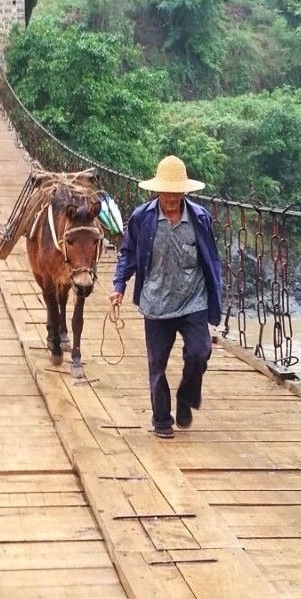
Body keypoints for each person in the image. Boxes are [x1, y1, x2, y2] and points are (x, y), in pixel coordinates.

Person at [109, 155, 222, 439]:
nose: (171, 198)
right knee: (156, 364)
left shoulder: (200, 218)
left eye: (176, 192)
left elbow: (211, 258)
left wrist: (215, 294)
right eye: (166, 192)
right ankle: (161, 420)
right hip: (157, 303)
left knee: (199, 353)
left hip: (193, 300)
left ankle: (186, 398)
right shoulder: (141, 218)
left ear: (184, 192)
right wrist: (119, 284)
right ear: (156, 191)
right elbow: (128, 253)